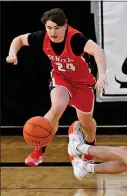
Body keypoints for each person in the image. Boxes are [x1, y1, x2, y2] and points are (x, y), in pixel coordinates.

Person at [6, 8, 107, 166]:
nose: (52, 32)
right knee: (56, 108)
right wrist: (12, 53)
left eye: (57, 27)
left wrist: (102, 75)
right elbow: (19, 39)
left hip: (83, 84)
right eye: (49, 27)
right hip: (61, 78)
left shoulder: (75, 39)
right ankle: (39, 149)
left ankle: (90, 144)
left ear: (65, 26)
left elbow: (98, 51)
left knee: (86, 121)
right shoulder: (41, 38)